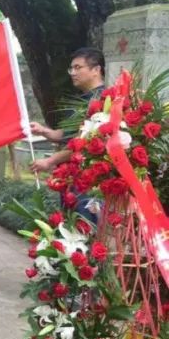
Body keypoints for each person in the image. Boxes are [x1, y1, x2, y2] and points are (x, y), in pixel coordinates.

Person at [29, 47, 107, 221]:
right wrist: (44, 131)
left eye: (78, 68)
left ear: (96, 70)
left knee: (85, 224)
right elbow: (68, 136)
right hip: (71, 176)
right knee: (71, 223)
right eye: (71, 68)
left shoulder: (103, 101)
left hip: (88, 179)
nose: (73, 73)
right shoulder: (82, 100)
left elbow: (83, 144)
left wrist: (49, 161)